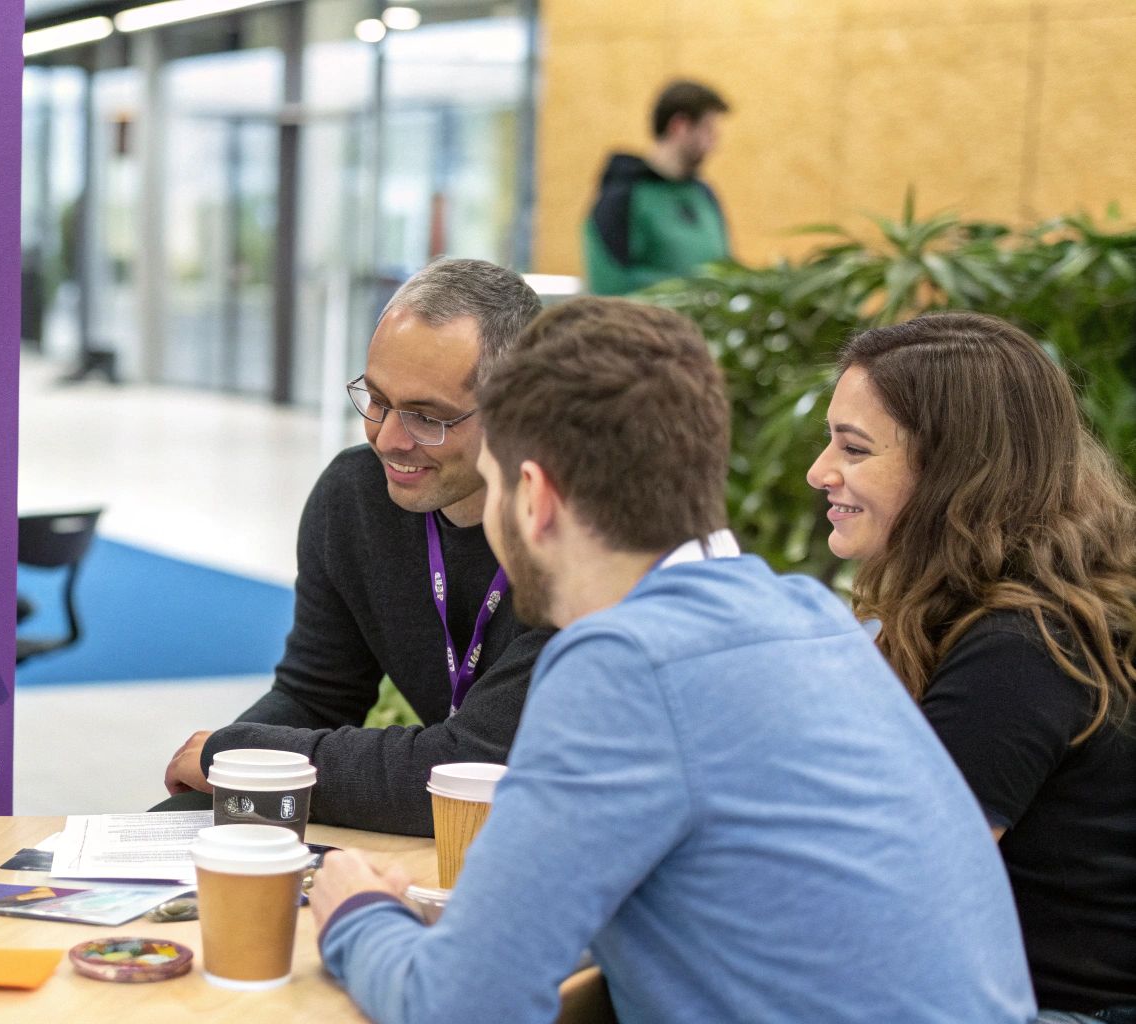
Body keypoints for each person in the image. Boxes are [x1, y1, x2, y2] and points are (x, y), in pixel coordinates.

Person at [310, 298, 1033, 1023]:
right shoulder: (812, 621)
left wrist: (357, 914)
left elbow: (460, 1007)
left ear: (533, 496)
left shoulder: (625, 663)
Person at [807, 312, 1136, 1023]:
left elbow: (896, 899)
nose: (819, 472)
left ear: (954, 471)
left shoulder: (1021, 649)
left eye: (854, 449)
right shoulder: (1038, 608)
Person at [157, 258, 554, 836]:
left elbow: (474, 769)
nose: (389, 439)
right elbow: (316, 696)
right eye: (376, 399)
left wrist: (236, 754)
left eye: (427, 416)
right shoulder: (355, 498)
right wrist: (200, 799)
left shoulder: (572, 543)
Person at [583, 79, 730, 296]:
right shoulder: (622, 197)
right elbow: (611, 284)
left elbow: (725, 265)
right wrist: (695, 292)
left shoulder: (703, 194)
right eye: (707, 129)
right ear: (679, 126)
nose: (714, 143)